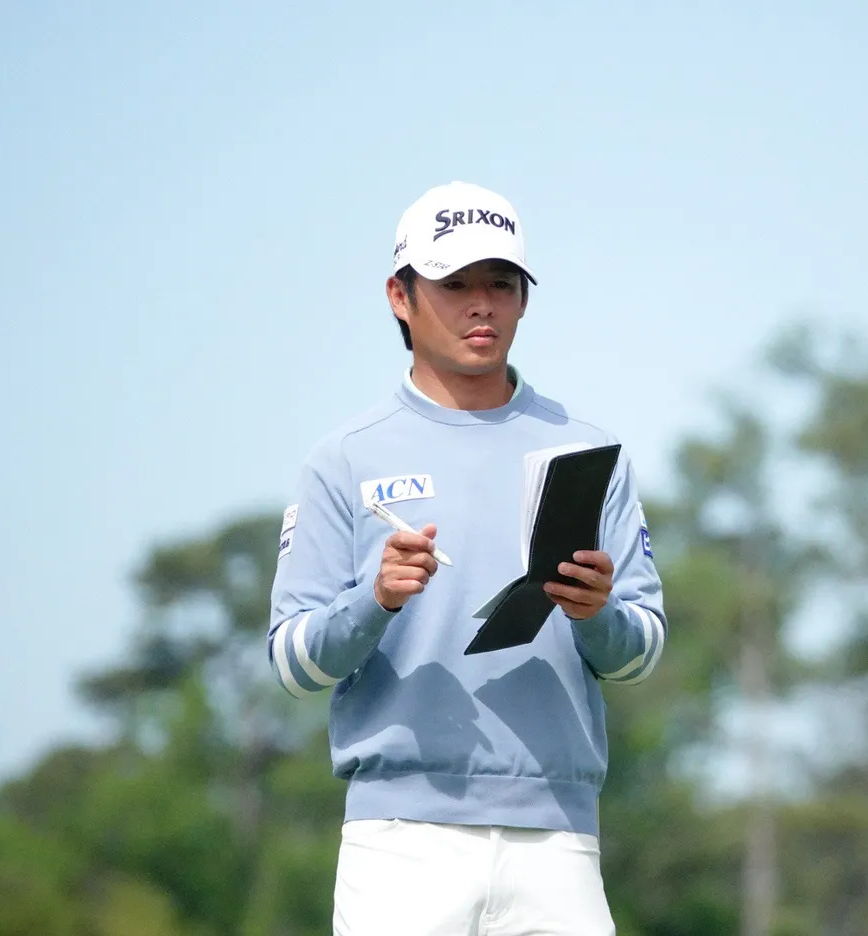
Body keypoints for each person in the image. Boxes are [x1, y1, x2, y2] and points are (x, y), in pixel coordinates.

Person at [267, 180, 667, 935]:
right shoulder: (345, 459)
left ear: (524, 300)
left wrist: (597, 613)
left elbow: (641, 654)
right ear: (400, 296)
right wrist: (374, 600)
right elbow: (293, 664)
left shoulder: (587, 451)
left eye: (501, 283)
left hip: (558, 838)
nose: (481, 305)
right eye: (454, 284)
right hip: (400, 843)